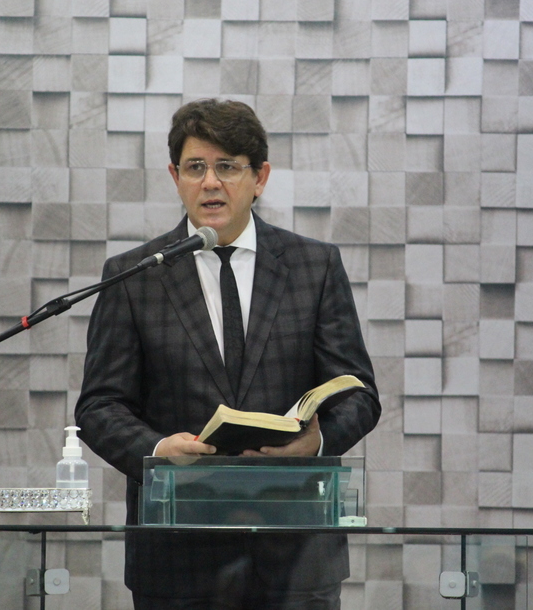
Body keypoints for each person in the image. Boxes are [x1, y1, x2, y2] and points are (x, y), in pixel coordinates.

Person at [75, 99, 381, 609]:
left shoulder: (315, 266)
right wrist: (157, 451)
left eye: (227, 167)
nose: (210, 183)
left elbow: (360, 394)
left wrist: (318, 441)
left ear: (259, 177)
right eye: (195, 167)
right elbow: (99, 405)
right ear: (175, 177)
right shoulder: (134, 276)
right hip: (177, 555)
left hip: (295, 549)